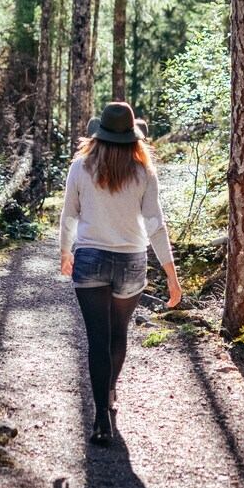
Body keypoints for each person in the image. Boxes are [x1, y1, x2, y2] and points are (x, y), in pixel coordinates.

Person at [59, 101, 182, 445]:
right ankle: (111, 390)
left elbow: (69, 215)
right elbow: (156, 226)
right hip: (130, 261)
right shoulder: (143, 173)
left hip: (90, 259)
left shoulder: (80, 168)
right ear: (132, 137)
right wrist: (171, 274)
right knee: (118, 334)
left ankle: (100, 417)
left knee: (97, 338)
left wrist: (65, 252)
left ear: (97, 135)